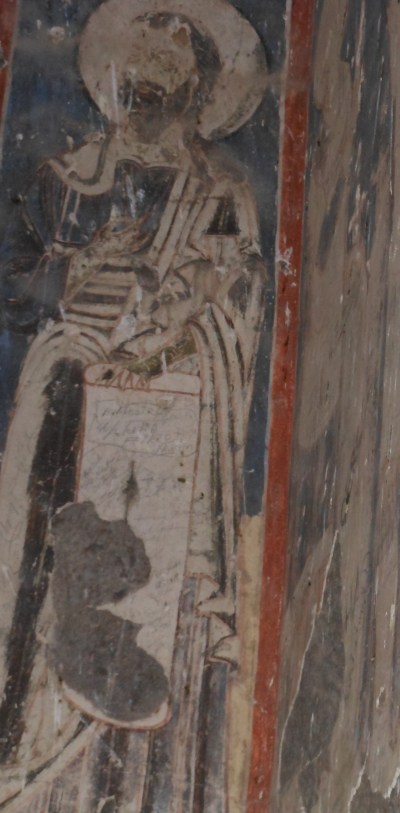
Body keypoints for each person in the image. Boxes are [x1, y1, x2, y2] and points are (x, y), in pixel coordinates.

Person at [0, 1, 267, 803]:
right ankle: (30, 743)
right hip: (67, 401)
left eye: (168, 91)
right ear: (117, 88)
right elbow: (17, 284)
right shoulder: (67, 181)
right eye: (139, 89)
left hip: (170, 416)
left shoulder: (219, 193)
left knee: (153, 598)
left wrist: (185, 306)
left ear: (196, 96)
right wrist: (78, 280)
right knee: (42, 568)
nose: (150, 105)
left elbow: (238, 294)